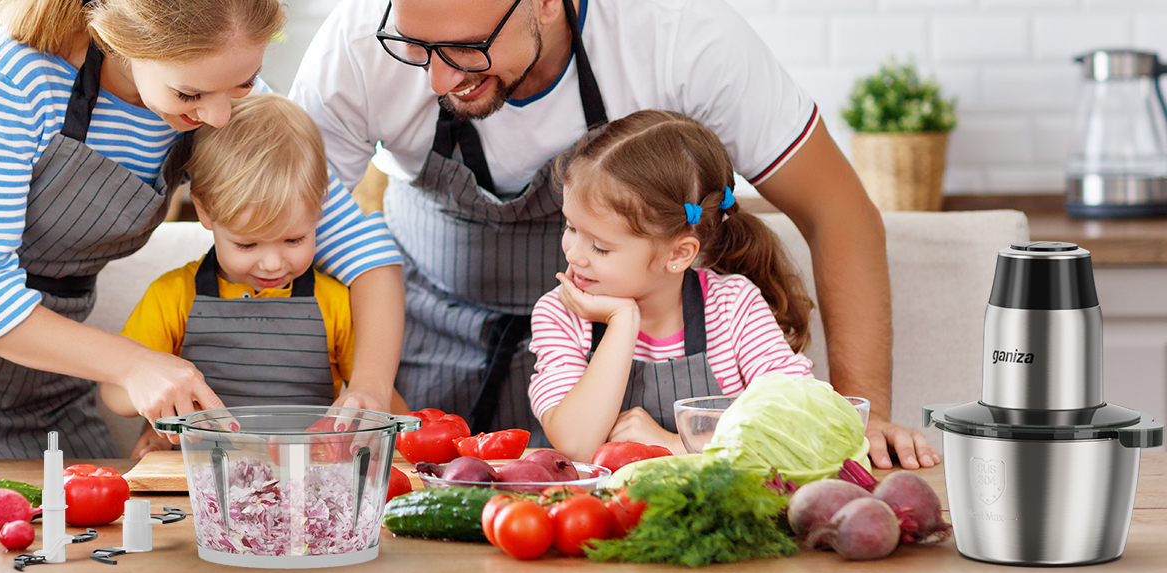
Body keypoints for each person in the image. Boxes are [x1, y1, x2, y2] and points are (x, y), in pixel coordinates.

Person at [290, 0, 938, 468]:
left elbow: (841, 214)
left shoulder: (680, 35)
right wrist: (372, 389)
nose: (435, 78)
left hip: (613, 363)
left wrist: (864, 419)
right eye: (417, 48)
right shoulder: (357, 46)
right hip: (427, 336)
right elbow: (294, 234)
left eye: (465, 48)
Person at [0, 0, 406, 460]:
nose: (221, 116)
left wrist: (371, 390)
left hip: (55, 375)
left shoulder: (217, 88)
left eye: (245, 82)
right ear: (121, 40)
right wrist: (133, 364)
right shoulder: (19, 75)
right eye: (190, 94)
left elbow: (366, 255)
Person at [106, 94, 407, 456]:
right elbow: (115, 395)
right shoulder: (172, 296)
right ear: (204, 211)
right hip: (200, 483)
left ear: (320, 209)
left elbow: (379, 403)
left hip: (303, 486)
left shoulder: (336, 303)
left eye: (294, 239)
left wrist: (399, 438)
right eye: (247, 245)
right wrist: (160, 401)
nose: (272, 264)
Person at [531, 110, 813, 462]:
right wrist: (621, 322)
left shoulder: (733, 308)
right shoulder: (561, 314)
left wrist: (675, 445)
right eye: (571, 228)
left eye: (600, 247)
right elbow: (575, 445)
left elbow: (803, 421)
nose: (574, 255)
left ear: (679, 253)